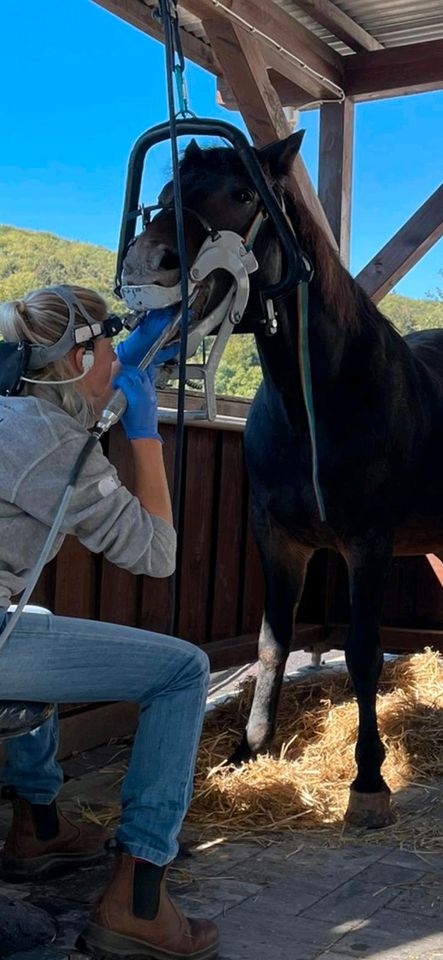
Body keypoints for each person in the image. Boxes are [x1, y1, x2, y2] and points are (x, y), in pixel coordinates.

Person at [0, 285, 219, 960]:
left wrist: (131, 365)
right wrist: (146, 433)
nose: (112, 363)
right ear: (72, 359)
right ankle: (139, 900)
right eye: (103, 350)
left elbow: (79, 406)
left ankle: (40, 826)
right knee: (184, 670)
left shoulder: (18, 415)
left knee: (35, 618)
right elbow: (157, 556)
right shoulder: (51, 445)